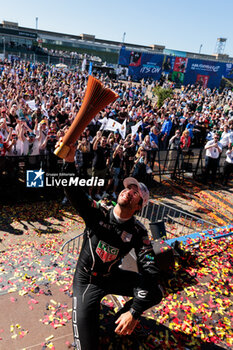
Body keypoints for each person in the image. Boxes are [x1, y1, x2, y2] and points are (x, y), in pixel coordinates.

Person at [62, 145, 163, 350]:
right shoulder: (99, 212)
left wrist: (134, 312)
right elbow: (72, 189)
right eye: (129, 188)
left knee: (156, 291)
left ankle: (121, 319)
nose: (130, 192)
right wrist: (69, 161)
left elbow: (150, 270)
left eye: (136, 193)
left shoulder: (138, 231)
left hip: (111, 277)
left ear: (138, 207)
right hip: (86, 281)